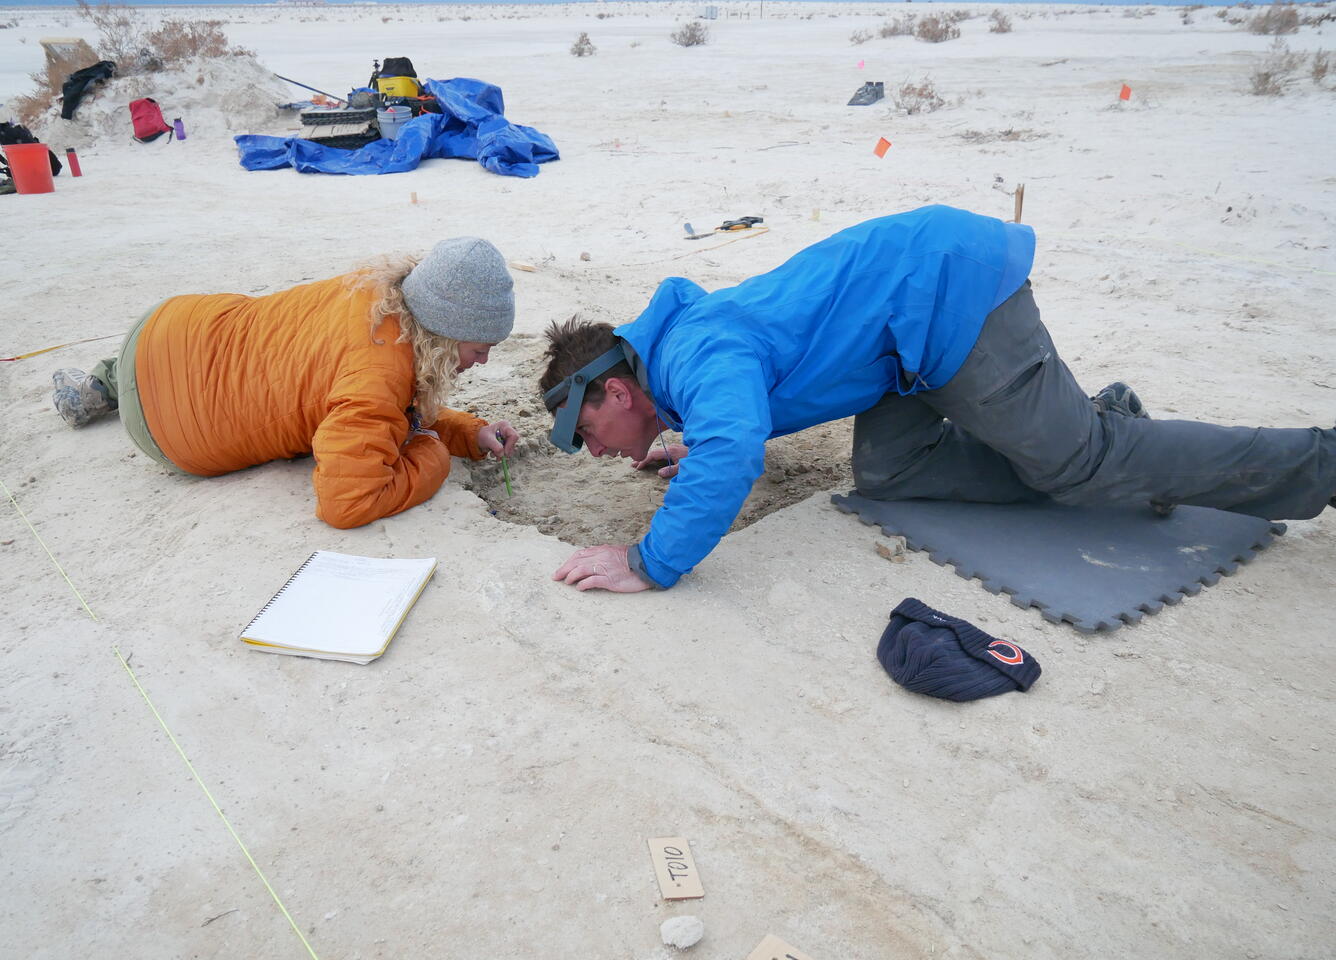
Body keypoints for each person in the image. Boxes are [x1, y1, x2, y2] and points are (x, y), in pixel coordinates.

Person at [539, 204, 1335, 593]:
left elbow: (738, 447)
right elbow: (728, 410)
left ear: (616, 386)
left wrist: (650, 560)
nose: (595, 449)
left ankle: (1315, 462)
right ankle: (1095, 422)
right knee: (890, 470)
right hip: (898, 346)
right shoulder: (678, 368)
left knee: (1080, 466)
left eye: (589, 431)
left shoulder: (697, 352)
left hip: (946, 301)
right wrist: (689, 435)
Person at [52, 237, 520, 529]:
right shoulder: (379, 374)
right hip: (173, 435)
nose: (482, 360)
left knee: (269, 343)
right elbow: (347, 504)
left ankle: (106, 380)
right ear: (441, 332)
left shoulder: (378, 291)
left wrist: (468, 433)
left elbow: (383, 400)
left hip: (165, 326)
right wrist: (433, 449)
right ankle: (123, 392)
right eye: (478, 347)